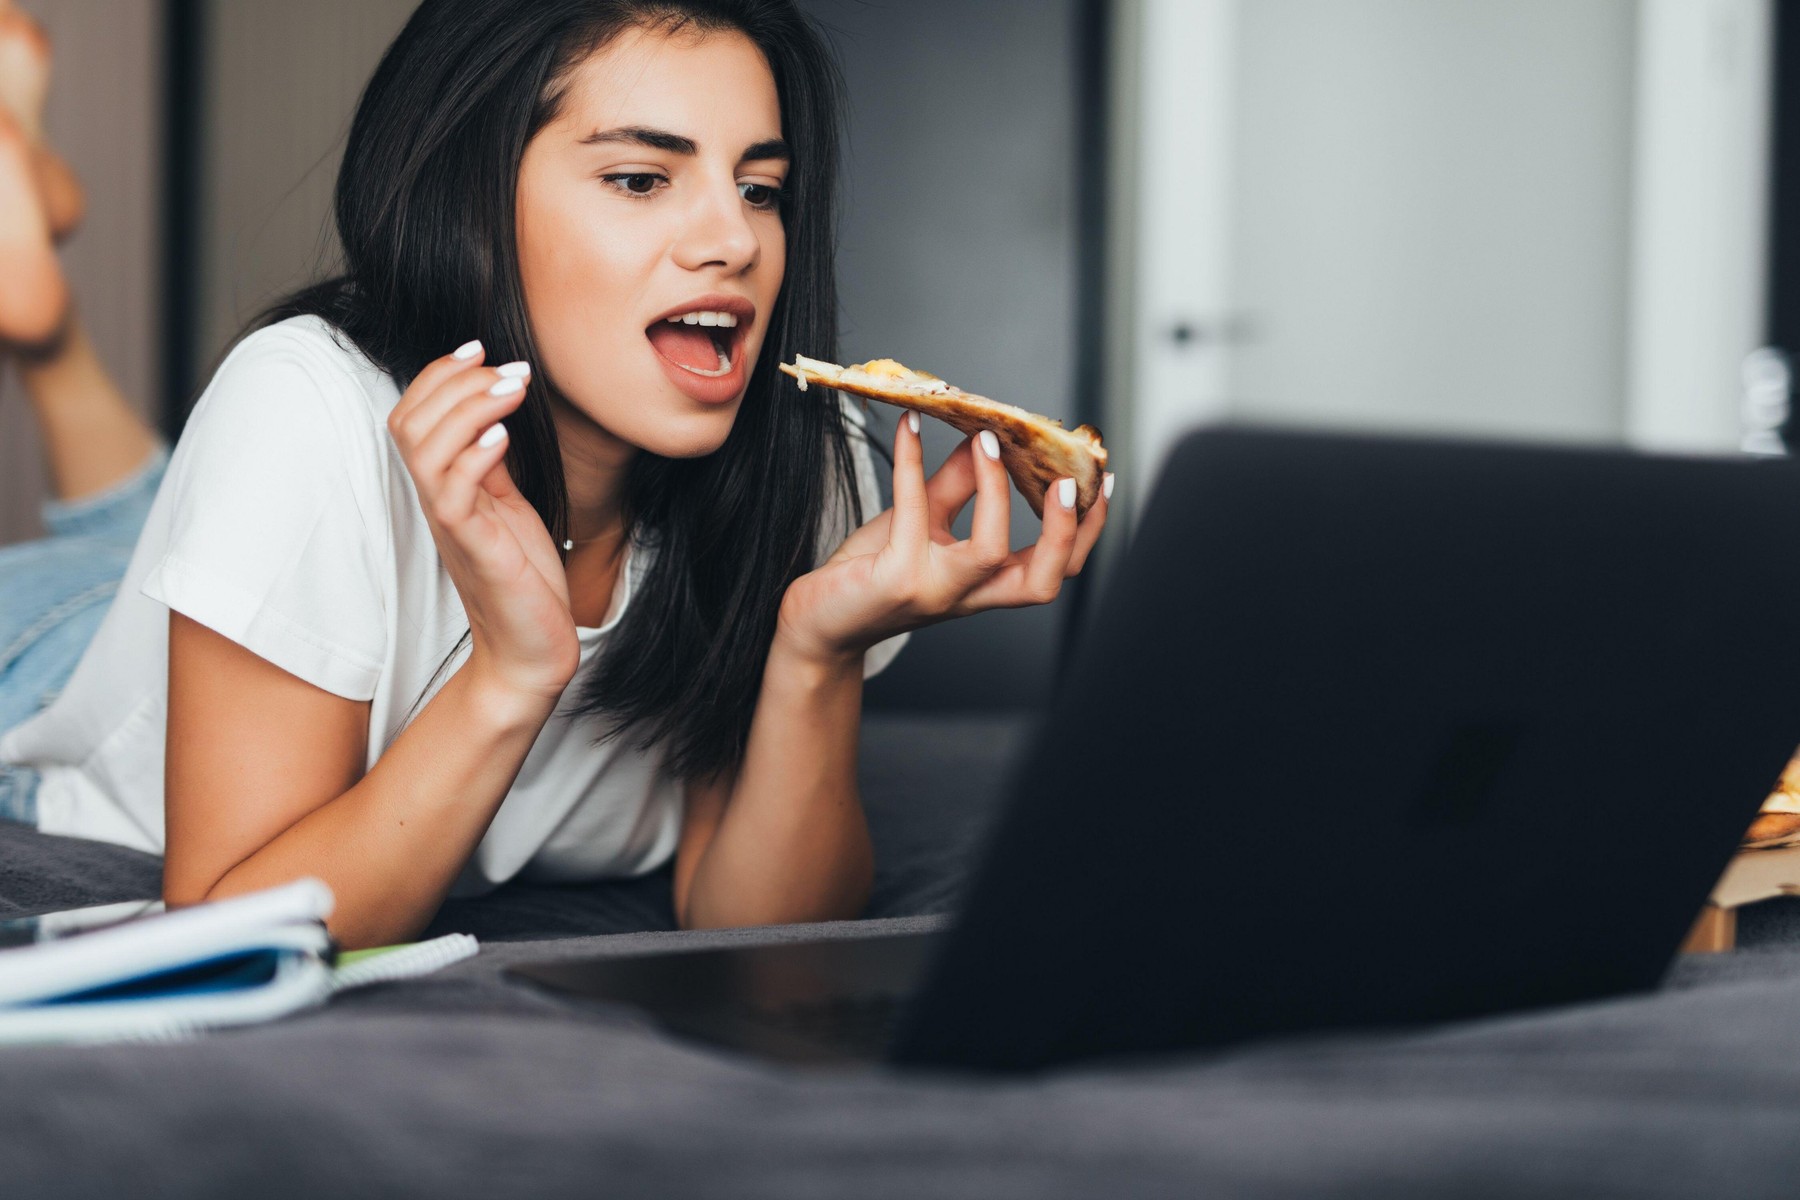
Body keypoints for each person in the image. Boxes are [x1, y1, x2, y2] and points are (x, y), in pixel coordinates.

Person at [0, 0, 1112, 948]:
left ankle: (47, 330)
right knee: (115, 576)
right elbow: (229, 924)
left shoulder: (805, 470)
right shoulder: (303, 404)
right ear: (473, 206)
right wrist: (509, 675)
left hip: (285, 557)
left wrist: (814, 656)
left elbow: (753, 929)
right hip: (43, 653)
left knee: (175, 523)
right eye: (640, 178)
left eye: (761, 188)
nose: (733, 240)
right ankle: (51, 345)